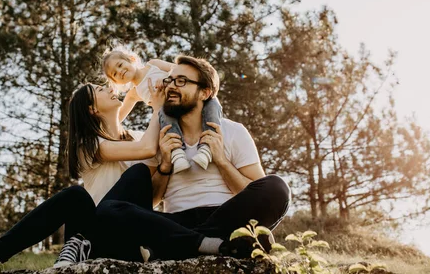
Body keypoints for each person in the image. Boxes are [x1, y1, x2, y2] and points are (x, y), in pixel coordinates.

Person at [0, 82, 164, 274]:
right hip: (97, 241)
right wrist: (157, 106)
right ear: (92, 109)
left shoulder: (136, 137)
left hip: (128, 237)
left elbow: (150, 198)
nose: (110, 88)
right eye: (101, 89)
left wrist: (165, 169)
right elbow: (147, 148)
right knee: (75, 195)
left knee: (139, 173)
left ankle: (82, 240)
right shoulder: (89, 146)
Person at [96, 55, 292, 261]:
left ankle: (181, 245)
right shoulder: (157, 138)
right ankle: (212, 243)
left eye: (181, 81)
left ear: (205, 92)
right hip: (175, 221)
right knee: (109, 209)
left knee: (277, 187)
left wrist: (222, 161)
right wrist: (165, 165)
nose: (170, 86)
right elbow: (152, 200)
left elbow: (255, 190)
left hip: (228, 215)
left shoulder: (233, 131)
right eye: (169, 80)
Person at [102, 47, 223, 173]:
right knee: (163, 115)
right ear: (116, 81)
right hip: (169, 111)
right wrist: (102, 127)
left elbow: (178, 69)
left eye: (120, 65)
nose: (120, 71)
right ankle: (177, 155)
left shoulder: (153, 65)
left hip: (186, 102)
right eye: (115, 74)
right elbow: (118, 116)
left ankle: (206, 148)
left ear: (131, 59)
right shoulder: (134, 93)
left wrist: (169, 78)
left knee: (213, 103)